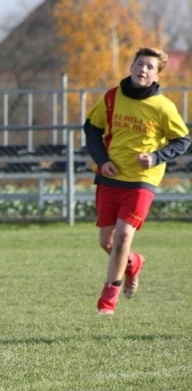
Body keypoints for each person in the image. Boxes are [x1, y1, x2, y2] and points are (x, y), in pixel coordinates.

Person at [84, 46, 190, 315]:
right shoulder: (111, 97)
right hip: (110, 176)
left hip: (143, 180)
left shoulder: (163, 107)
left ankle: (107, 301)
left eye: (150, 67)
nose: (143, 69)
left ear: (157, 76)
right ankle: (133, 264)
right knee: (106, 242)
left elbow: (182, 140)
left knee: (122, 237)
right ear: (131, 67)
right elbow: (92, 130)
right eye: (140, 63)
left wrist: (155, 158)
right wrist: (102, 160)